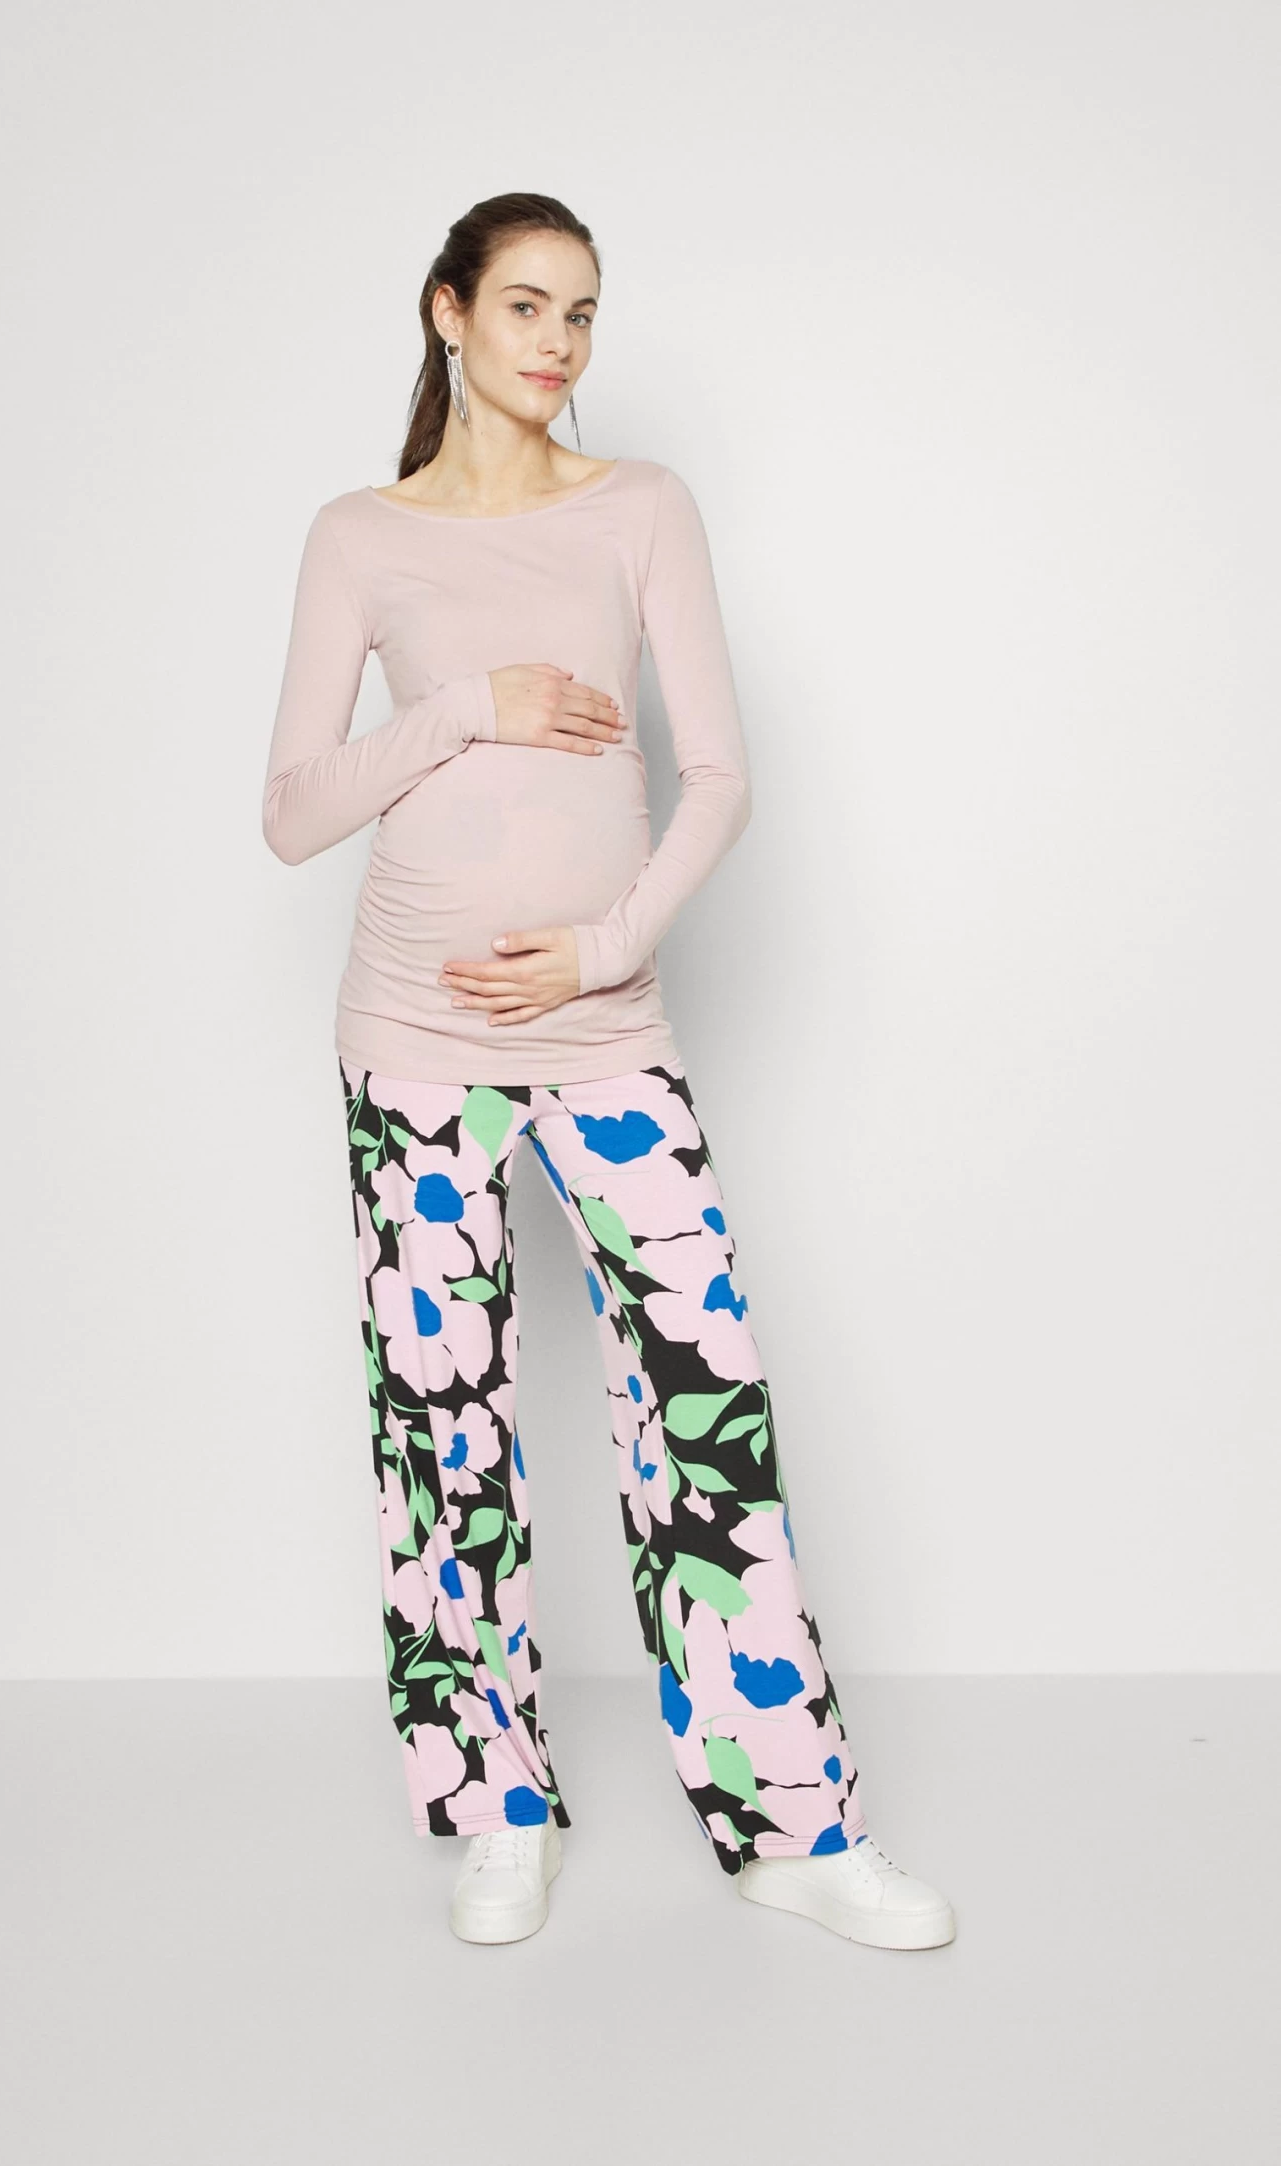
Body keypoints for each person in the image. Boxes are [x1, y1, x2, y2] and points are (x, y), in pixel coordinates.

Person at [261, 192, 955, 1953]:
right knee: (445, 1431)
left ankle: (795, 1825)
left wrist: (603, 947)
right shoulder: (361, 534)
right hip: (411, 1040)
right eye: (525, 306)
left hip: (603, 1029)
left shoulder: (642, 506)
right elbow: (292, 811)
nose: (558, 343)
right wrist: (468, 705)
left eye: (581, 312)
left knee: (702, 1400)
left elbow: (717, 776)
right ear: (448, 314)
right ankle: (499, 1809)